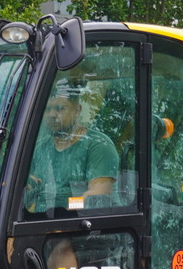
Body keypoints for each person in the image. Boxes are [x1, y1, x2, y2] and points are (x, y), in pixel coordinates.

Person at [25, 77, 119, 214]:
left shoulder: (98, 145)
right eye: (47, 109)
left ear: (77, 110)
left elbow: (95, 198)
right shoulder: (40, 148)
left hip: (81, 224)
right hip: (42, 222)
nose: (52, 114)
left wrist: (63, 209)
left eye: (60, 108)